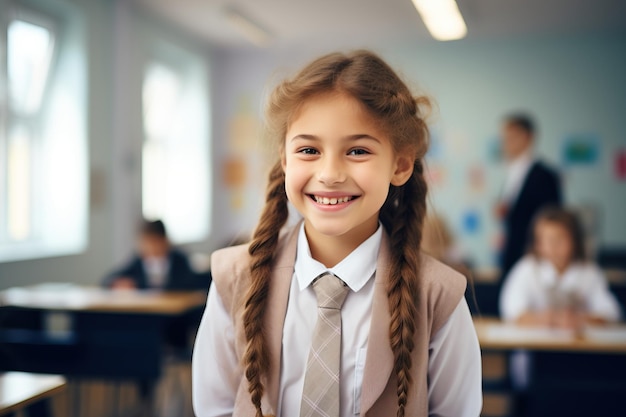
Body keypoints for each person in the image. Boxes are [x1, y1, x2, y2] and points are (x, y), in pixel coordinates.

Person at [192, 51, 482, 417]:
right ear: (284, 160)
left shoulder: (437, 296)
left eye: (357, 150)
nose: (330, 173)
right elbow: (214, 408)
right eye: (309, 150)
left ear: (401, 164)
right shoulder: (235, 279)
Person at [500, 206, 621, 327]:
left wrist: (578, 318)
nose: (553, 246)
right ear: (537, 244)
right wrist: (547, 319)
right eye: (547, 240)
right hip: (534, 345)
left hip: (579, 344)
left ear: (574, 241)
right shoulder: (527, 269)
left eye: (560, 238)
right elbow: (512, 311)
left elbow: (611, 313)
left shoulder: (588, 271)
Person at [495, 113, 562, 282]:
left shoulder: (545, 176)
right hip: (511, 255)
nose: (506, 143)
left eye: (512, 137)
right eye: (504, 138)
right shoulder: (512, 173)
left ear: (528, 137)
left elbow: (551, 218)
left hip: (534, 259)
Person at [103, 219, 197, 290]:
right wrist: (119, 283)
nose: (150, 248)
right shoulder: (138, 261)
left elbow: (191, 284)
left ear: (164, 241)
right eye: (145, 243)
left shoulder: (179, 260)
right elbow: (108, 279)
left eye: (154, 242)